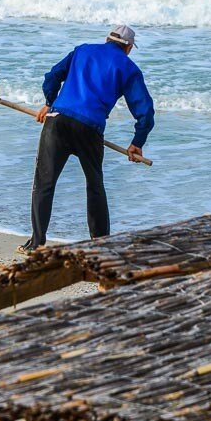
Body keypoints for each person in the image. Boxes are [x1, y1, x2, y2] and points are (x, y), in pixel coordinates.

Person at [18, 24, 155, 254]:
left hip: (57, 122)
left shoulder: (81, 51)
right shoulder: (128, 68)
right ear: (129, 47)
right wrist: (137, 142)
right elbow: (145, 111)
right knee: (95, 186)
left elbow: (52, 76)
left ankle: (36, 242)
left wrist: (50, 103)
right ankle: (101, 246)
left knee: (44, 183)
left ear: (107, 39)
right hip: (90, 130)